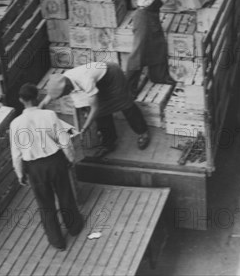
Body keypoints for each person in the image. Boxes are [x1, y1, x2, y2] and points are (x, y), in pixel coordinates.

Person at [10, 83, 83, 251]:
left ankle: (57, 240)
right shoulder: (49, 115)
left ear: (21, 100)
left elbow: (16, 153)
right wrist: (71, 158)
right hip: (55, 161)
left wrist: (20, 173)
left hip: (34, 168)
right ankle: (74, 226)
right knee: (65, 195)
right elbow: (64, 140)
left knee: (45, 204)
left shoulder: (16, 124)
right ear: (37, 97)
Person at [41, 61, 150, 156]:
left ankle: (143, 132)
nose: (63, 96)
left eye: (62, 94)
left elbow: (95, 108)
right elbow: (49, 97)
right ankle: (109, 143)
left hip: (112, 76)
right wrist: (37, 109)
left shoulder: (84, 80)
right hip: (98, 82)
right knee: (102, 113)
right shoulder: (63, 81)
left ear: (67, 88)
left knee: (125, 105)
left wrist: (85, 128)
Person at [126, 0, 177, 98]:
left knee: (158, 44)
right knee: (139, 52)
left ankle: (159, 77)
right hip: (143, 17)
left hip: (152, 15)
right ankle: (129, 89)